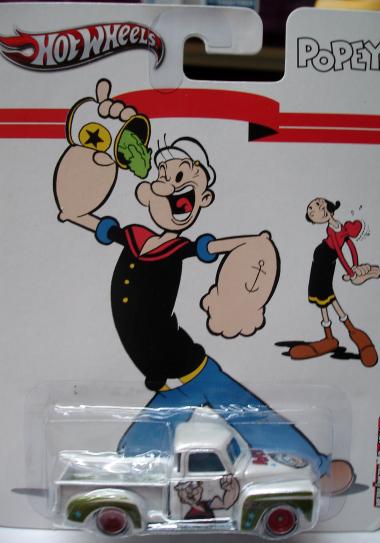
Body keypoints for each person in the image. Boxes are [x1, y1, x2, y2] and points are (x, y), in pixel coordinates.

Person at [54, 80, 355, 495]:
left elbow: (210, 247)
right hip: (169, 376)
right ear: (147, 191)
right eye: (165, 179)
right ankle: (136, 484)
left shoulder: (176, 247)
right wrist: (73, 205)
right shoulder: (135, 236)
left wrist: (254, 245)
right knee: (160, 437)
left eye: (184, 185)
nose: (171, 187)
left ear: (203, 199)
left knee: (246, 416)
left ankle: (316, 467)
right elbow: (91, 219)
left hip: (186, 368)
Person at [290, 197, 380, 366]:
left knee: (327, 294)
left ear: (328, 207)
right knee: (323, 296)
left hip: (328, 261)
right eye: (312, 212)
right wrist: (350, 271)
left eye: (318, 205)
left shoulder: (340, 226)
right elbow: (339, 251)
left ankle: (346, 332)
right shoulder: (331, 230)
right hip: (322, 259)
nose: (316, 210)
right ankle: (332, 336)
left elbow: (349, 245)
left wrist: (355, 265)